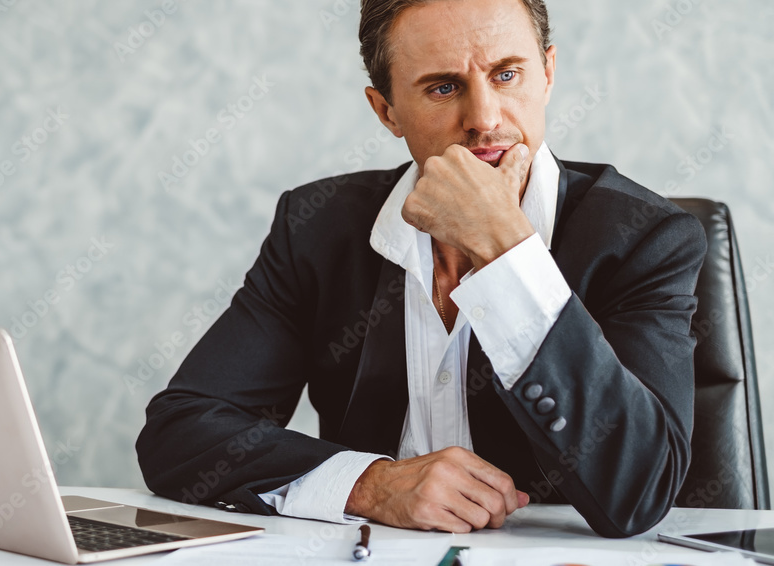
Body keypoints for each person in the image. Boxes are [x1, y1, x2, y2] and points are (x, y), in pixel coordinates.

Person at [137, 0, 707, 538]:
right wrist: (371, 485)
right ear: (387, 111)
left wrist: (505, 249)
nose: (484, 119)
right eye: (443, 87)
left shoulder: (646, 239)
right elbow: (181, 433)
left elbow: (641, 488)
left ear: (548, 73)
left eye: (507, 75)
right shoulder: (316, 228)